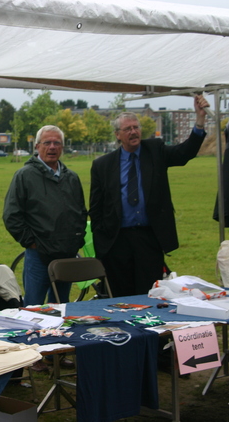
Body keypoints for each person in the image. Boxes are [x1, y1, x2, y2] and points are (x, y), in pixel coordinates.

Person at [89, 95, 210, 297]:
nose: (134, 132)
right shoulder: (103, 165)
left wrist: (199, 121)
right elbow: (96, 208)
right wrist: (102, 247)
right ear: (117, 135)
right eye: (127, 129)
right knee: (120, 297)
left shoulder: (155, 150)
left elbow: (184, 153)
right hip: (117, 241)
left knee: (149, 295)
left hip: (149, 238)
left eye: (136, 127)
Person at [3, 125, 88, 306]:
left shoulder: (71, 177)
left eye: (57, 143)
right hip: (38, 255)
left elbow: (81, 212)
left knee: (61, 305)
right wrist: (32, 242)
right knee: (34, 307)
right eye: (47, 143)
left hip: (66, 254)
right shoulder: (24, 176)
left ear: (62, 147)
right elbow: (12, 215)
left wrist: (77, 239)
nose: (52, 147)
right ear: (37, 146)